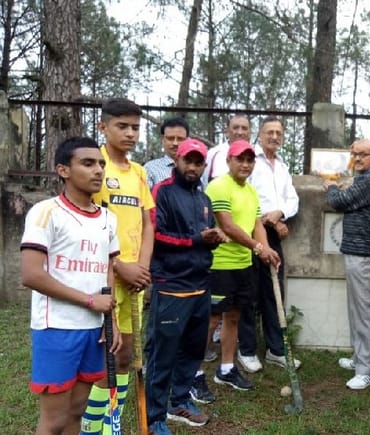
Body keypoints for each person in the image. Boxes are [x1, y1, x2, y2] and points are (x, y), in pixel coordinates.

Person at [21, 136, 121, 435]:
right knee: (54, 421)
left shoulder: (108, 218)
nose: (98, 170)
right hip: (57, 328)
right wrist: (90, 301)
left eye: (101, 164)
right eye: (88, 163)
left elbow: (108, 269)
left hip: (94, 330)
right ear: (63, 170)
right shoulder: (46, 212)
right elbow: (31, 275)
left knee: (76, 412)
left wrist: (111, 320)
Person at [82, 98, 155, 435]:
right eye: (122, 126)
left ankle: (112, 424)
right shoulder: (95, 166)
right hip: (104, 277)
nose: (130, 133)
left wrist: (142, 266)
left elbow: (147, 223)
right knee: (104, 357)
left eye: (135, 128)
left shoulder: (139, 172)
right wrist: (120, 266)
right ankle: (90, 427)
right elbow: (88, 225)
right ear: (103, 127)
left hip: (134, 278)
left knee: (125, 355)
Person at [144, 139, 227, 435]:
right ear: (177, 160)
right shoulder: (162, 191)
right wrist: (196, 240)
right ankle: (154, 417)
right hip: (172, 286)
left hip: (200, 285)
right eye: (188, 161)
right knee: (162, 354)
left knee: (192, 351)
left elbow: (202, 237)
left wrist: (213, 239)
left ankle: (178, 401)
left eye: (198, 162)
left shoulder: (203, 199)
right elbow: (156, 236)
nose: (192, 167)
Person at [205, 140, 281, 391]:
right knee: (211, 319)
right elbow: (227, 226)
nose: (245, 164)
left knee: (234, 317)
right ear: (229, 160)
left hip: (243, 264)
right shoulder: (218, 186)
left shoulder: (250, 191)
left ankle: (226, 369)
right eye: (240, 159)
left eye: (250, 160)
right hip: (220, 264)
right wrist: (258, 248)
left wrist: (266, 249)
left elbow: (257, 224)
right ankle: (192, 372)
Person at [237, 116, 301, 373]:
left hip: (273, 233)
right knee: (249, 293)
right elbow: (247, 197)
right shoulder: (250, 161)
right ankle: (247, 349)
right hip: (250, 233)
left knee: (274, 293)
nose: (274, 137)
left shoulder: (282, 166)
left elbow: (292, 199)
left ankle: (276, 349)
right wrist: (268, 219)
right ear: (260, 135)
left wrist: (280, 214)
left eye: (278, 133)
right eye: (269, 132)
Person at [324, 138, 370, 390]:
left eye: (363, 154)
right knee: (357, 310)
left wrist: (330, 186)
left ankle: (368, 370)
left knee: (364, 311)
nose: (358, 158)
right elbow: (350, 198)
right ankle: (360, 358)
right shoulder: (364, 178)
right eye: (354, 154)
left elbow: (339, 201)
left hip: (364, 255)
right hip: (357, 252)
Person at [202, 114, 251, 185]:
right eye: (235, 128)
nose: (240, 132)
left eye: (244, 128)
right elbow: (204, 181)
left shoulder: (258, 155)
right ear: (227, 132)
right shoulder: (213, 153)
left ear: (249, 133)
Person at [143, 117, 190, 190]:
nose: (175, 143)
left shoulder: (196, 169)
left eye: (180, 139)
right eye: (170, 138)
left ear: (187, 140)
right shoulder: (150, 169)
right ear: (163, 139)